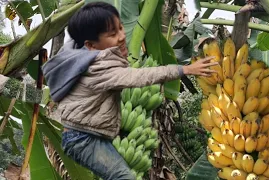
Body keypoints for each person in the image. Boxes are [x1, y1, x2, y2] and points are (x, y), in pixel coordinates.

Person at [42, 2, 216, 180]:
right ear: (91, 45)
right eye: (112, 34)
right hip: (83, 139)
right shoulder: (98, 67)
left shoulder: (86, 56)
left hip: (94, 135)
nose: (122, 37)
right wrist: (184, 70)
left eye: (121, 28)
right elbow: (139, 77)